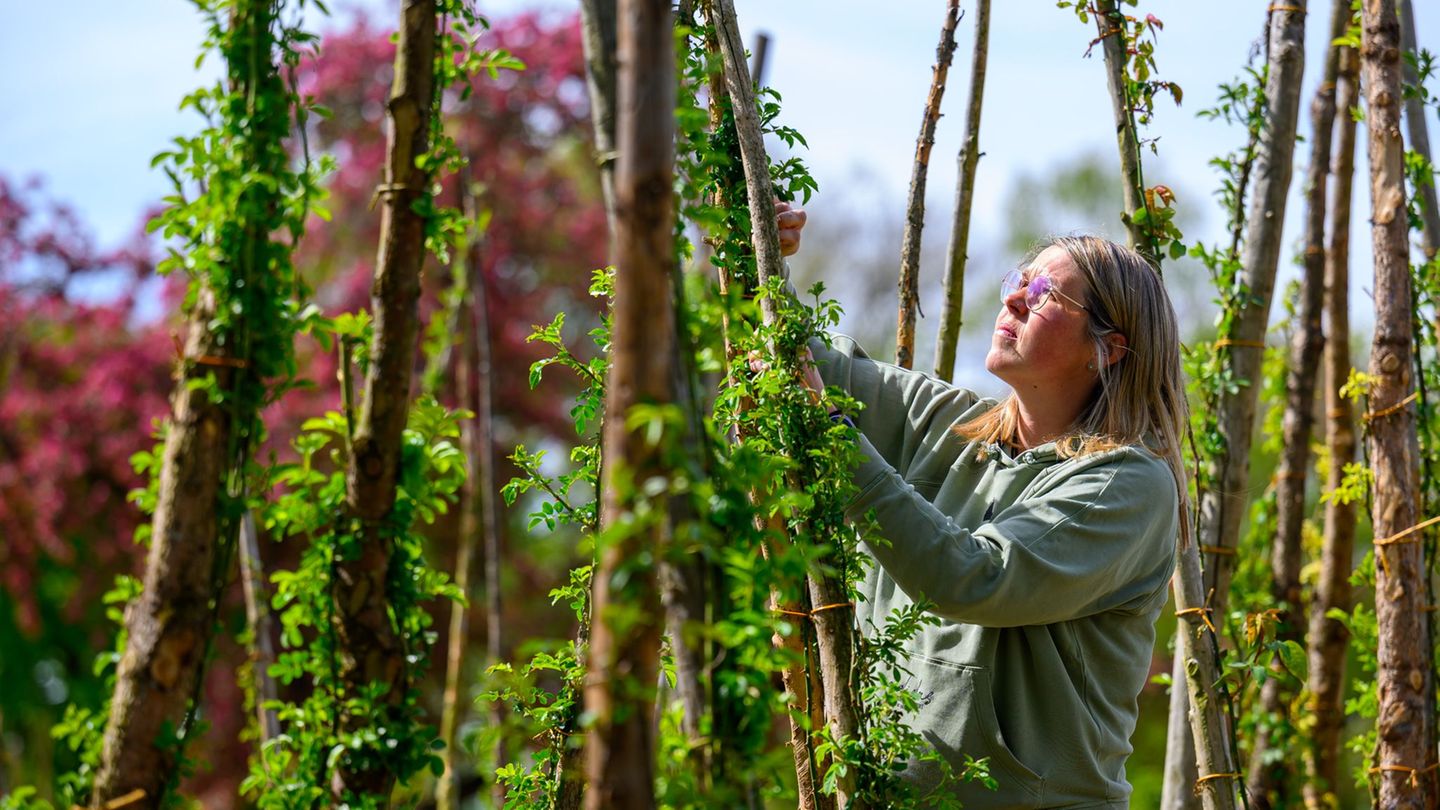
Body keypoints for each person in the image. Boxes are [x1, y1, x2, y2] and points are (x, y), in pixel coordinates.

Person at [778, 205, 1186, 809]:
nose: (1017, 299)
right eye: (1019, 281)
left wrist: (836, 437)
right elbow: (802, 361)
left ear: (1108, 349)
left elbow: (977, 578)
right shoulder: (950, 426)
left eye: (1045, 293)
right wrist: (759, 236)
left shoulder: (1127, 484)